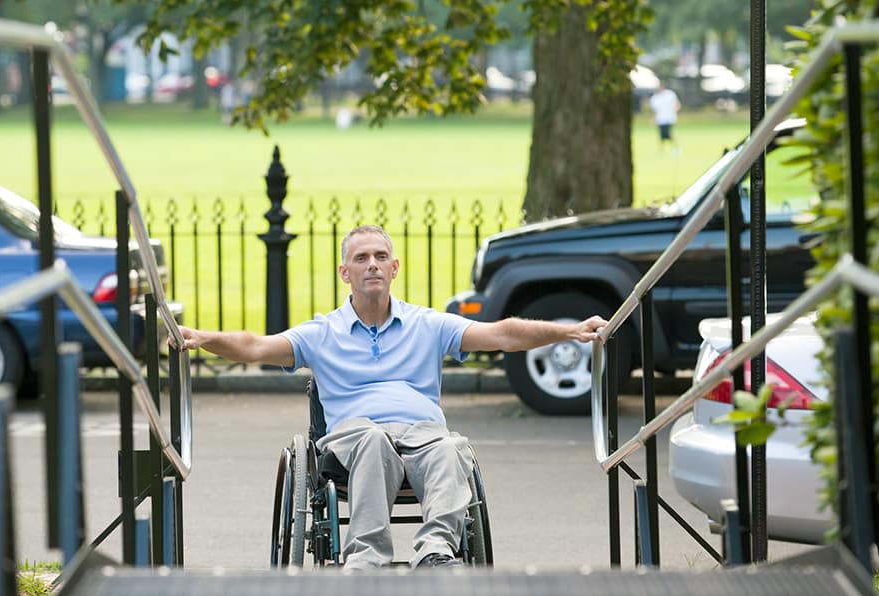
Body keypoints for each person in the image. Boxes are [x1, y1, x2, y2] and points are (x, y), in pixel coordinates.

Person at [174, 225, 606, 570]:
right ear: (345, 272)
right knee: (372, 440)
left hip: (422, 433)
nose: (372, 265)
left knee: (452, 446)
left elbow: (503, 333)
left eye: (381, 257)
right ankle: (365, 559)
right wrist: (201, 338)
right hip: (354, 439)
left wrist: (567, 330)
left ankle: (436, 552)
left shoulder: (428, 324)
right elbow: (253, 346)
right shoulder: (322, 333)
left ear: (395, 267)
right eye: (361, 258)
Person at [649, 83, 681, 151]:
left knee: (668, 134)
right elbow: (654, 110)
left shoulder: (670, 94)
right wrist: (653, 119)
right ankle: (662, 149)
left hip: (670, 118)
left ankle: (675, 147)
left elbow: (677, 104)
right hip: (660, 119)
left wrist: (675, 110)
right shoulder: (654, 98)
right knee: (661, 134)